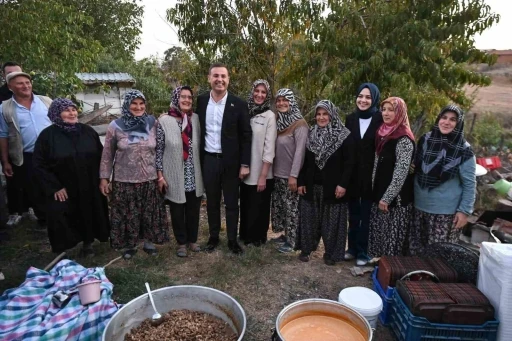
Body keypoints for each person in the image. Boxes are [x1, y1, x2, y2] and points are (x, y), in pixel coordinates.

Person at [33, 98, 110, 255]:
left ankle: (88, 243)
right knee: (61, 217)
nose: (72, 113)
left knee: (88, 212)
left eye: (73, 109)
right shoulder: (47, 136)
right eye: (67, 110)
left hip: (89, 184)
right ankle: (63, 250)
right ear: (56, 114)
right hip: (63, 187)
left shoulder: (88, 131)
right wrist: (54, 187)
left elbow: (103, 157)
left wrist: (104, 179)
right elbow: (39, 164)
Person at [99, 90, 168, 259]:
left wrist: (160, 175)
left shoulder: (153, 123)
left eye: (141, 103)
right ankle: (129, 244)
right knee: (128, 213)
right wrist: (104, 178)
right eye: (134, 104)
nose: (138, 107)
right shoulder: (115, 126)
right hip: (125, 179)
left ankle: (148, 241)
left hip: (150, 178)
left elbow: (159, 150)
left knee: (149, 212)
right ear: (127, 105)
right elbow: (107, 154)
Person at [196, 63, 252, 255]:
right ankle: (213, 238)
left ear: (228, 79)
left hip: (231, 163)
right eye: (216, 76)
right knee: (211, 202)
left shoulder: (239, 104)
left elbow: (246, 136)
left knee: (231, 203)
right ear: (209, 78)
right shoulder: (201, 102)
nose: (219, 79)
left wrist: (245, 164)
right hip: (209, 160)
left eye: (223, 76)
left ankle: (231, 240)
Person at [410, 105, 476, 253]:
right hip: (419, 208)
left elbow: (470, 184)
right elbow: (416, 169)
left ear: (459, 124)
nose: (446, 122)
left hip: (445, 215)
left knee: (439, 258)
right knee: (415, 253)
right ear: (438, 119)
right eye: (444, 117)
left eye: (453, 120)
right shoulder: (426, 140)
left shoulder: (464, 150)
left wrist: (464, 211)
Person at [296, 100, 355, 265]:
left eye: (325, 114)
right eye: (319, 114)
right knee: (309, 219)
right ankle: (306, 249)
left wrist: (343, 184)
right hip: (311, 185)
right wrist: (301, 181)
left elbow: (350, 163)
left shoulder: (344, 135)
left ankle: (330, 253)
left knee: (332, 223)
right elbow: (305, 162)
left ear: (332, 115)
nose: (321, 118)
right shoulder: (311, 133)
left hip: (334, 187)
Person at [156, 86, 204, 257]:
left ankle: (192, 240)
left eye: (189, 97)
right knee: (177, 209)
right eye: (183, 97)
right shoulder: (164, 121)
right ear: (176, 98)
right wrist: (160, 175)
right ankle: (181, 243)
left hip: (194, 172)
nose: (187, 100)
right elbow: (159, 150)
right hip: (174, 173)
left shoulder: (196, 119)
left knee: (193, 208)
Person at [0, 72, 51, 228]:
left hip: (52, 153)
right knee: (34, 188)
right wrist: (5, 161)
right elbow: (3, 135)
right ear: (10, 87)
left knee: (56, 184)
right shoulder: (4, 108)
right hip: (27, 156)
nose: (25, 86)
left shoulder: (45, 101)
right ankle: (44, 219)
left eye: (27, 82)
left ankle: (62, 215)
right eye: (20, 83)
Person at [368, 97, 415, 259]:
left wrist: (387, 198)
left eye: (391, 110)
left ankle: (389, 273)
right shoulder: (382, 132)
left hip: (395, 200)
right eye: (384, 109)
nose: (386, 113)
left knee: (390, 239)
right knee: (378, 235)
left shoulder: (403, 139)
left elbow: (401, 173)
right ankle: (377, 268)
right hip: (380, 193)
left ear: (400, 112)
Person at [344, 83, 382, 266]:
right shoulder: (350, 119)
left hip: (371, 177)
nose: (363, 100)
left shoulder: (381, 119)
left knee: (366, 216)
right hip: (352, 175)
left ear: (374, 99)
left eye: (368, 97)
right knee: (353, 215)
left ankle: (363, 251)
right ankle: (351, 248)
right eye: (360, 96)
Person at [239, 80, 277, 246]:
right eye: (257, 91)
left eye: (263, 92)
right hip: (245, 169)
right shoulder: (245, 112)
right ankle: (245, 236)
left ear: (267, 95)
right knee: (246, 205)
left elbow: (269, 147)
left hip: (262, 172)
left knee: (259, 207)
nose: (259, 95)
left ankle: (258, 239)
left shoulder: (269, 116)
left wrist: (263, 175)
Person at [271, 88, 308, 253]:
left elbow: (300, 152)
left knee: (292, 209)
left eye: (285, 100)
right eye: (278, 100)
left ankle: (292, 241)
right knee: (283, 207)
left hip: (290, 176)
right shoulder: (278, 122)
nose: (281, 103)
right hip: (277, 174)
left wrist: (294, 176)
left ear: (291, 101)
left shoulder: (300, 124)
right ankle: (285, 235)